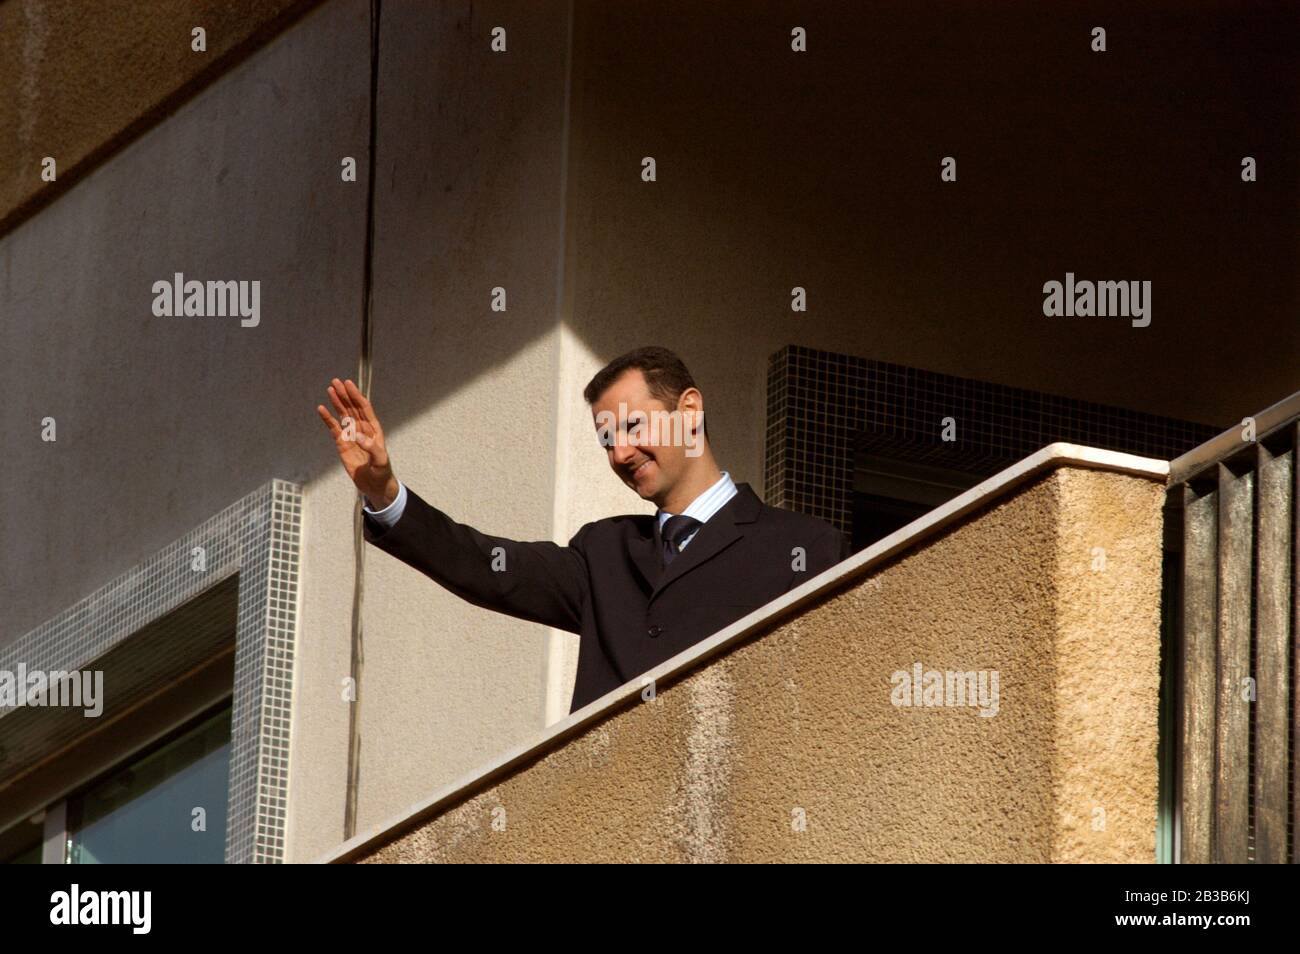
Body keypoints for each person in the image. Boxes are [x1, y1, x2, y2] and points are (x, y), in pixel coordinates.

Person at [316, 346, 848, 714]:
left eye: (634, 426)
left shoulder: (801, 546)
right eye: (606, 439)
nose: (620, 452)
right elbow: (488, 568)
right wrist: (384, 495)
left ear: (689, 410)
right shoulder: (604, 552)